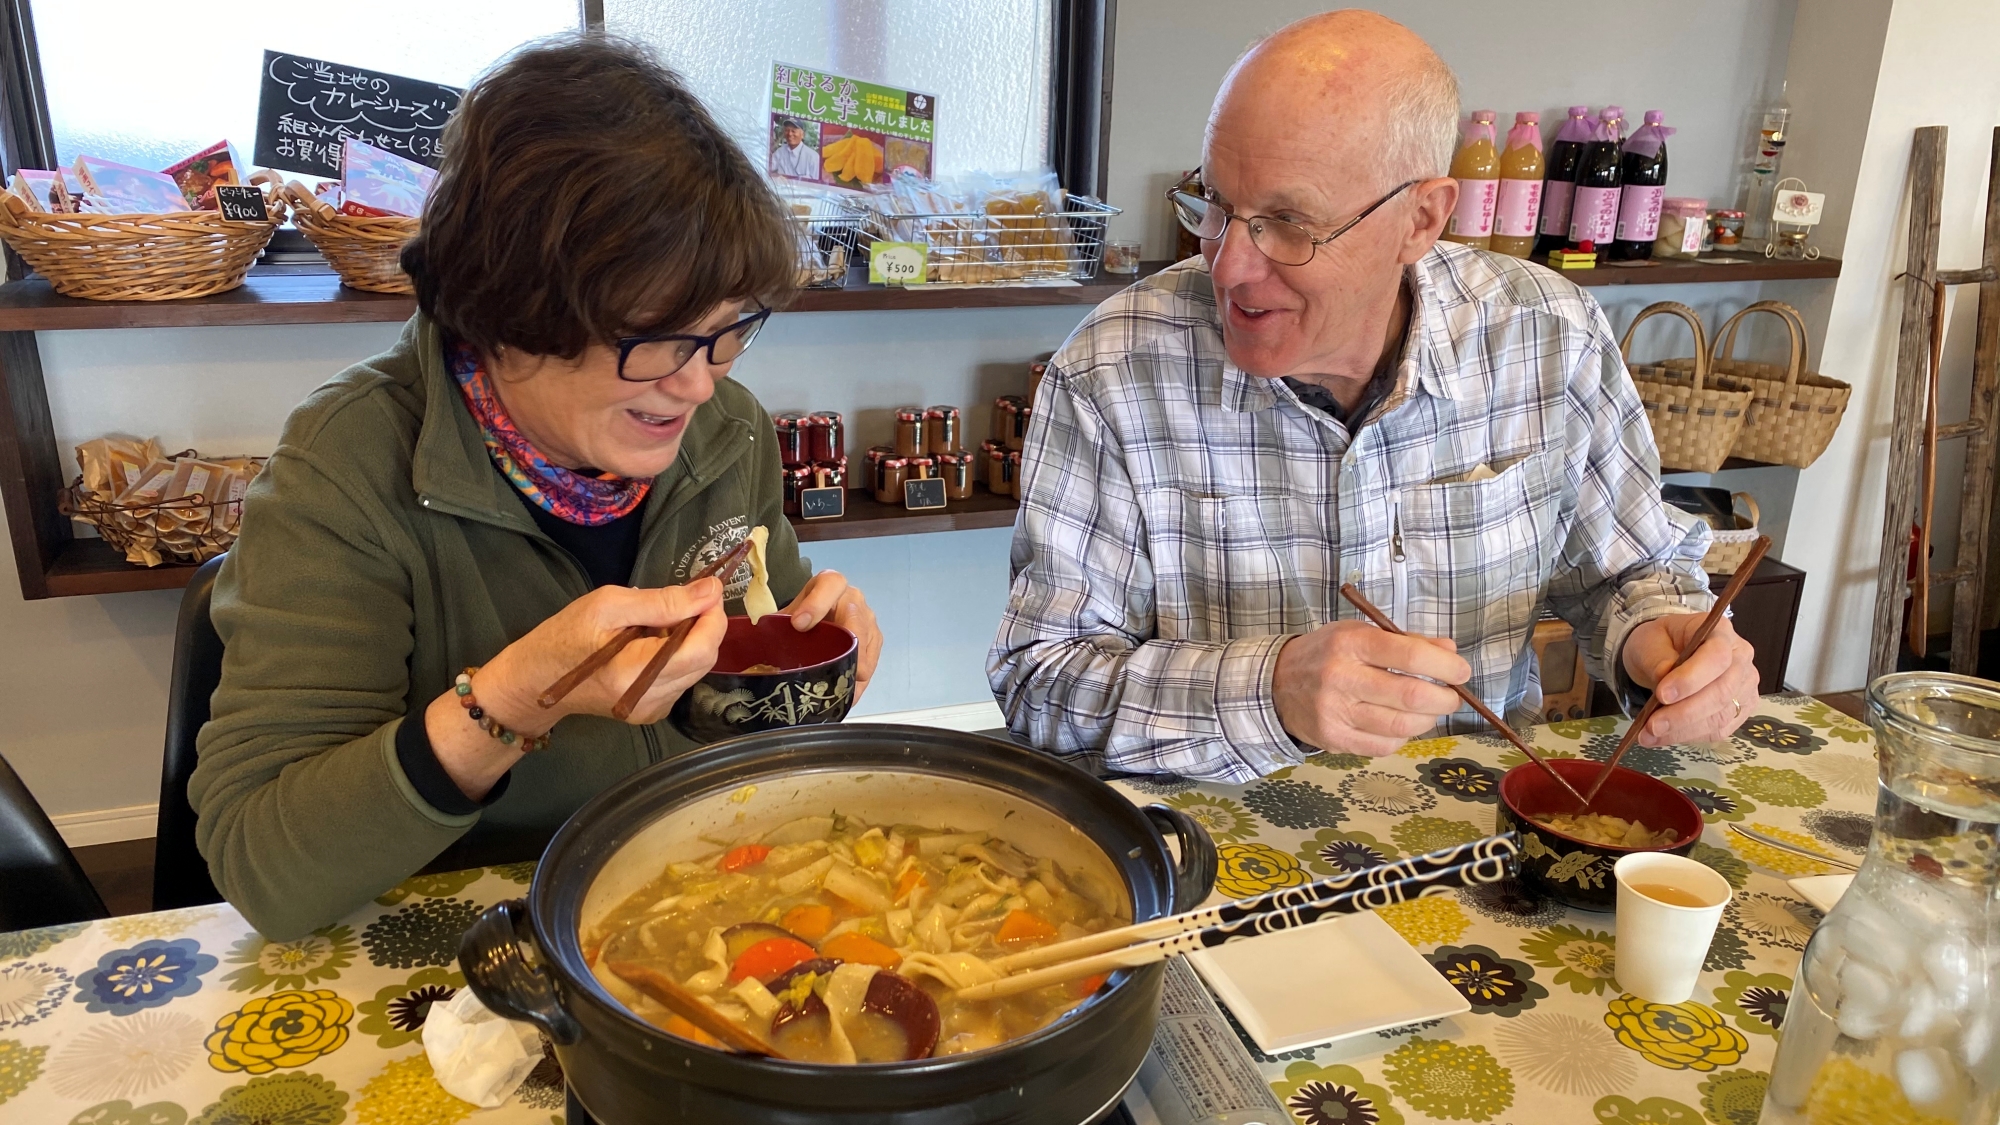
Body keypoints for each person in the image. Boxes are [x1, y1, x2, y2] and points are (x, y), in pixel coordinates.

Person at [191, 36, 881, 940]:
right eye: (659, 339)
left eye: (728, 331)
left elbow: (755, 722)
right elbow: (266, 870)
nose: (700, 382)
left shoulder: (727, 432)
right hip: (467, 941)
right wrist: (512, 699)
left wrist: (819, 665)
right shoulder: (348, 469)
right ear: (508, 312)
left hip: (700, 911)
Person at [990, 10, 1758, 783]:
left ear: (1422, 219)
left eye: (1288, 223)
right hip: (1205, 850)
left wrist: (1664, 636)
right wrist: (1269, 691)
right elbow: (1040, 683)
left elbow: (1629, 571)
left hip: (1468, 830)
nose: (1226, 266)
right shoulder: (1114, 369)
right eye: (1215, 204)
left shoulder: (1547, 335)